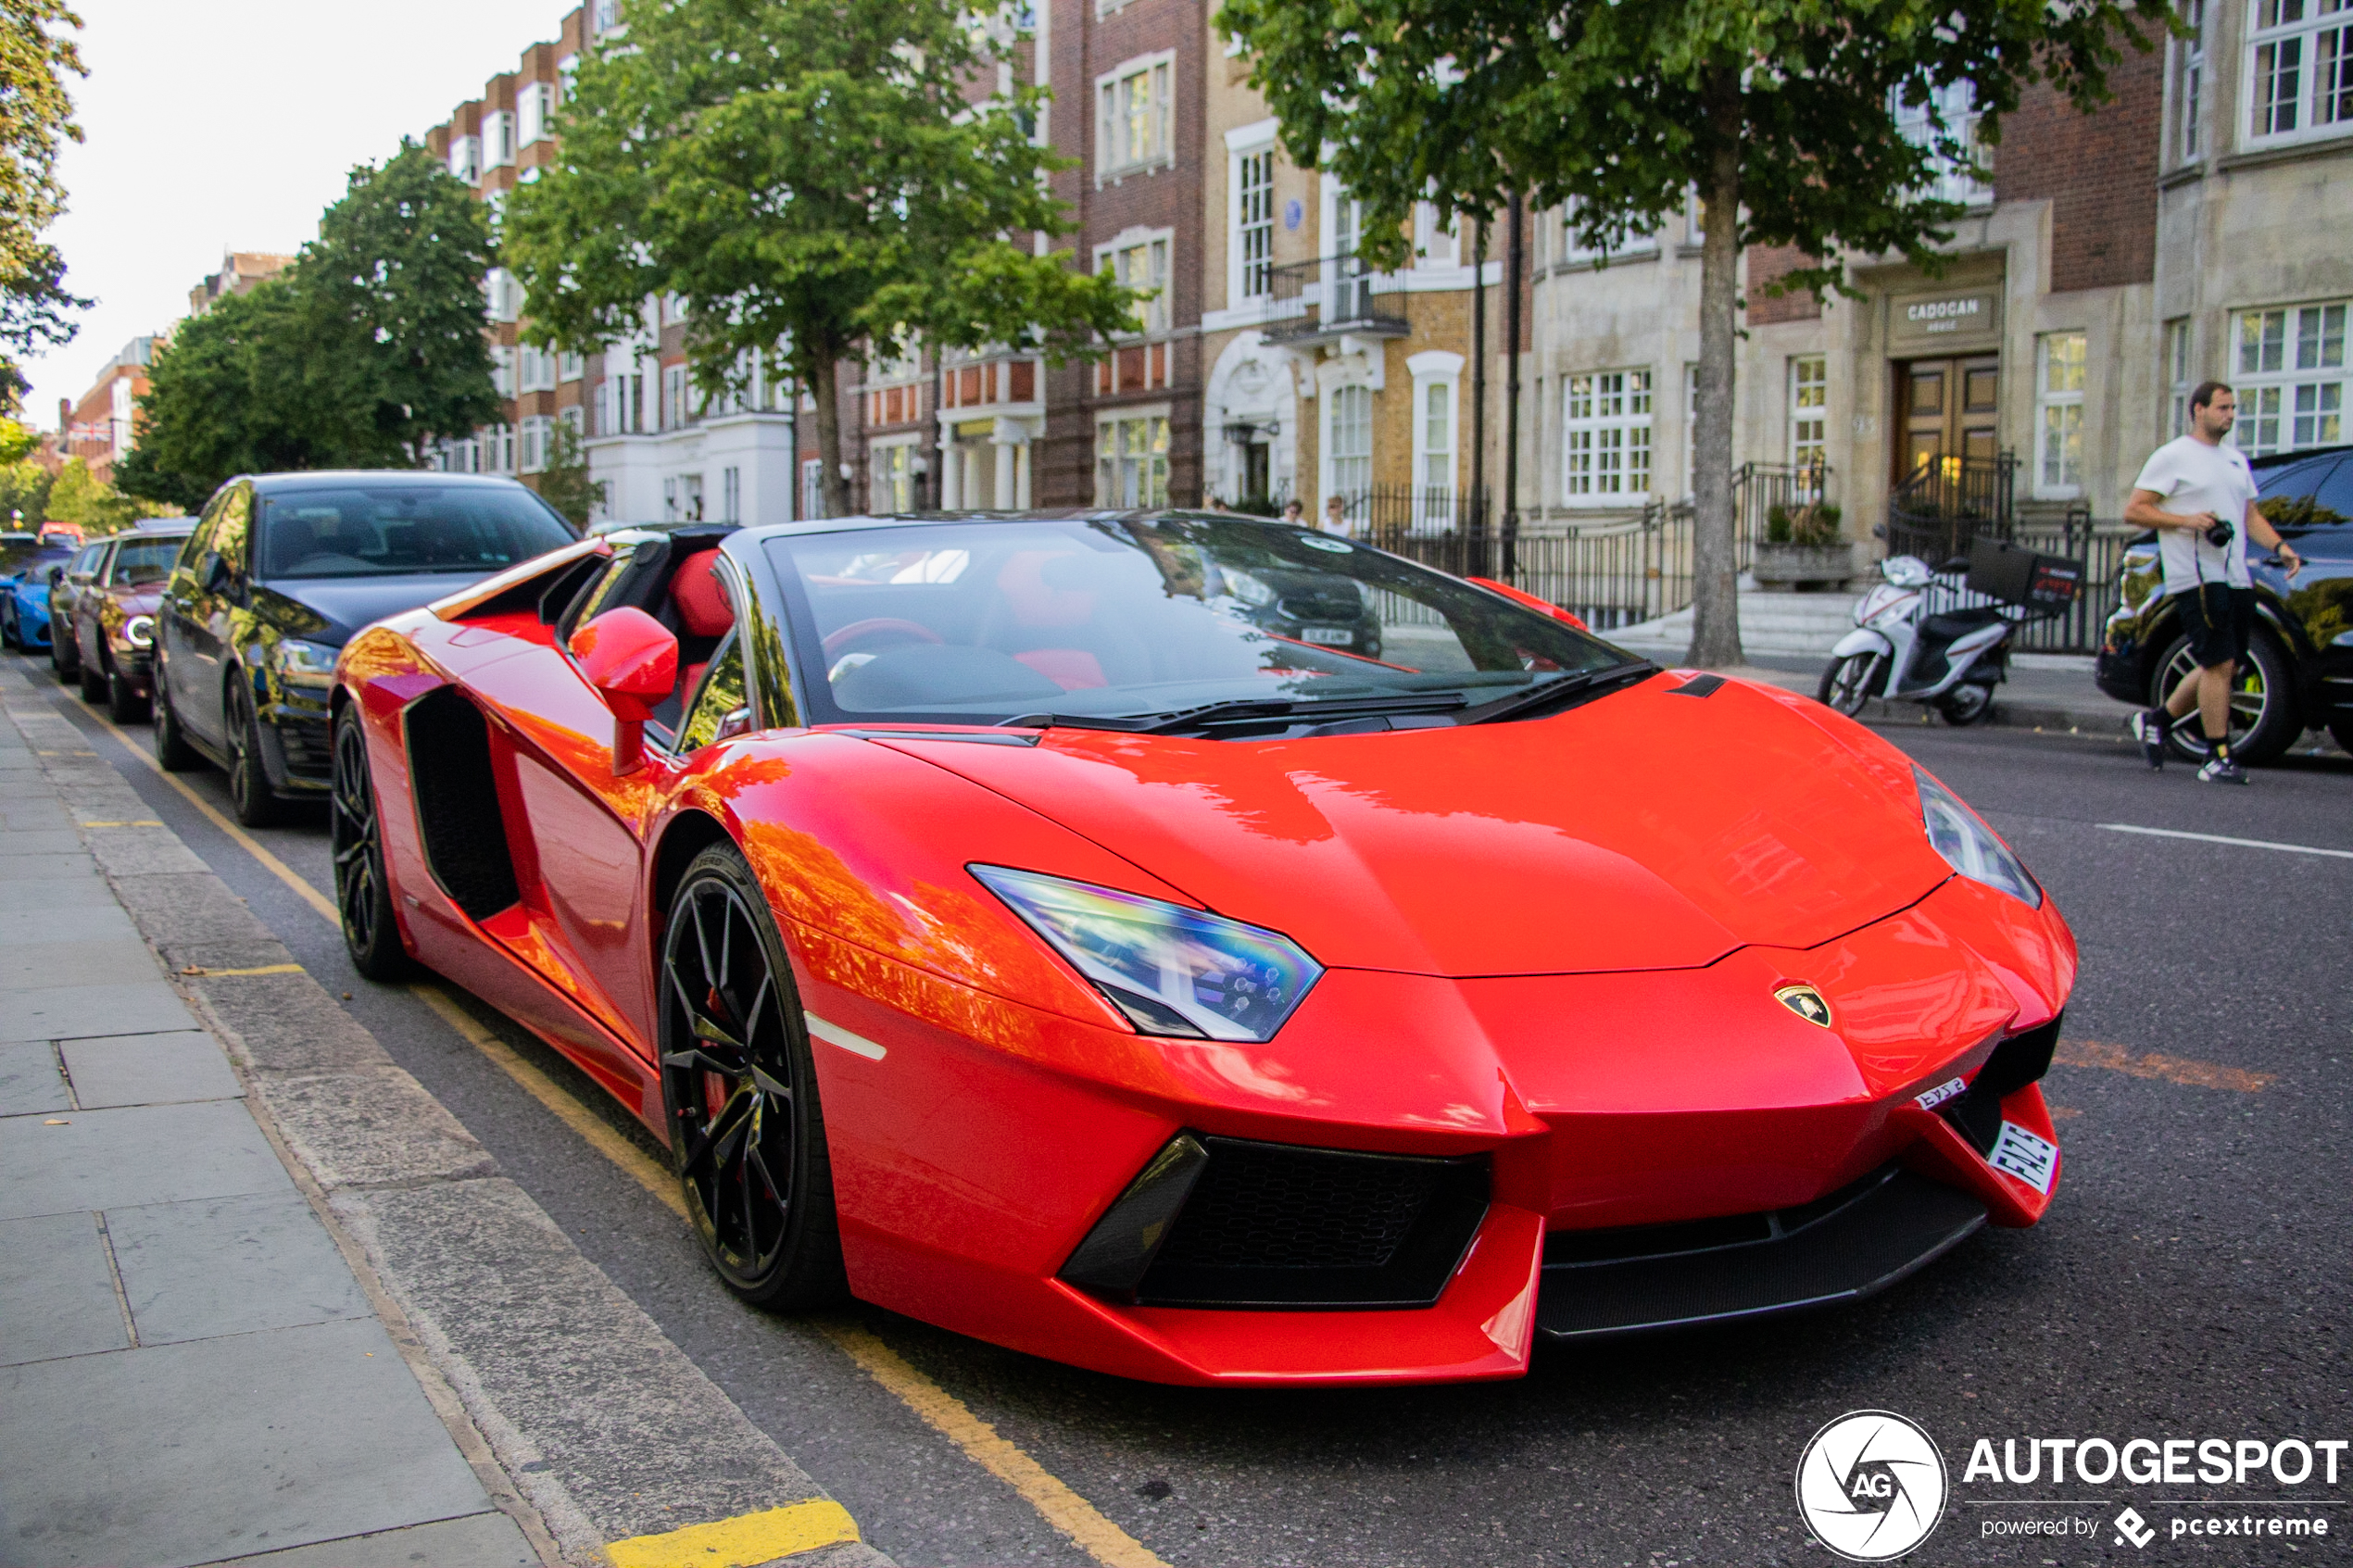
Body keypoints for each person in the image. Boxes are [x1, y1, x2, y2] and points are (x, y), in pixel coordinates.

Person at [2122, 381, 2302, 784]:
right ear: (2198, 410)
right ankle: (2216, 756)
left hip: (2235, 574)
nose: (2231, 415)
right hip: (2197, 575)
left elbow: (2249, 515)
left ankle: (2158, 720)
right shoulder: (2172, 458)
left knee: (2225, 664)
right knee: (2218, 662)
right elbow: (2135, 510)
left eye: (2233, 408)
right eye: (2222, 407)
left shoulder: (2235, 460)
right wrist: (2187, 520)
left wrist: (2281, 546)